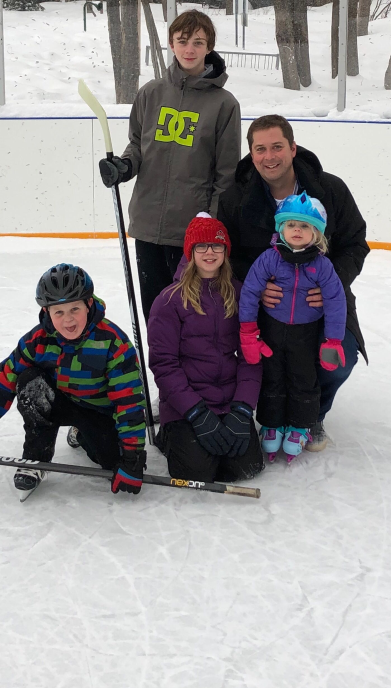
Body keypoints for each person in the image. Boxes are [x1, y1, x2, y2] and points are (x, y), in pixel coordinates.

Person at [217, 114, 369, 452]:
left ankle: (312, 414)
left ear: (293, 148)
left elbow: (356, 243)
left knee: (338, 355)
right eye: (261, 149)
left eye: (276, 147)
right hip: (263, 307)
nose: (269, 157)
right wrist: (251, 285)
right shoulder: (234, 199)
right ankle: (268, 415)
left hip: (321, 302)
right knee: (250, 357)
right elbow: (225, 255)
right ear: (252, 154)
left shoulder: (330, 189)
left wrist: (329, 282)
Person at [0, 263, 147, 498]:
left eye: (75, 309)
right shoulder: (36, 340)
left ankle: (81, 433)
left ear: (89, 304)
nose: (68, 320)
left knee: (111, 461)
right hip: (58, 401)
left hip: (99, 412)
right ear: (47, 312)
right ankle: (35, 458)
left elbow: (129, 402)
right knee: (29, 382)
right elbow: (1, 387)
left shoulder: (113, 343)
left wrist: (133, 456)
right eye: (58, 312)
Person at [98, 9, 242, 320]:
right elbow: (137, 144)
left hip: (192, 230)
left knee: (192, 316)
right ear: (171, 44)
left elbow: (227, 172)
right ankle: (161, 370)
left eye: (199, 42)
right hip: (148, 222)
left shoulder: (224, 104)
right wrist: (124, 167)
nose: (190, 49)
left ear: (209, 47)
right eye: (183, 41)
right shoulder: (151, 92)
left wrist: (212, 223)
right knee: (156, 315)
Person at [147, 213, 264, 483]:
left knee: (246, 468)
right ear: (190, 251)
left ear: (225, 250)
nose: (209, 252)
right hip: (186, 404)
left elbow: (251, 355)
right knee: (196, 473)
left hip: (228, 400)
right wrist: (196, 413)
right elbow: (164, 365)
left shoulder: (239, 293)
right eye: (201, 246)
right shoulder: (168, 301)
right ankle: (170, 435)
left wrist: (243, 408)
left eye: (217, 246)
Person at [238, 193, 347, 463]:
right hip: (272, 329)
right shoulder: (269, 259)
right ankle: (271, 424)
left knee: (302, 378)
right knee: (272, 374)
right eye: (291, 224)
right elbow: (250, 292)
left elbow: (335, 300)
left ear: (316, 233)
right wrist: (248, 332)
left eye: (305, 226)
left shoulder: (322, 265)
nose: (297, 230)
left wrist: (333, 341)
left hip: (305, 334)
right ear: (281, 229)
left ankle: (300, 426)